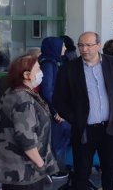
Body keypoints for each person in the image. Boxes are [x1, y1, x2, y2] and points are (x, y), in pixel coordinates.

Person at [53, 32, 113, 190]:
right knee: (81, 173)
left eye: (89, 45)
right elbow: (59, 100)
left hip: (110, 128)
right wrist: (74, 118)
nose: (84, 49)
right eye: (81, 45)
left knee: (110, 170)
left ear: (98, 45)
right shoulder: (69, 68)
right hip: (84, 129)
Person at [0, 54, 59, 189]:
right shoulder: (23, 100)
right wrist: (42, 166)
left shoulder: (13, 91)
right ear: (27, 75)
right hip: (25, 173)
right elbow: (27, 142)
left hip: (16, 170)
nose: (41, 73)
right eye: (38, 69)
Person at [37, 37, 70, 180]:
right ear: (55, 47)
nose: (65, 48)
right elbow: (47, 91)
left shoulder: (52, 61)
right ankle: (49, 169)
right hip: (51, 110)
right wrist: (56, 110)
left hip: (52, 109)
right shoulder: (48, 64)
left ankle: (50, 166)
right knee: (60, 133)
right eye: (63, 46)